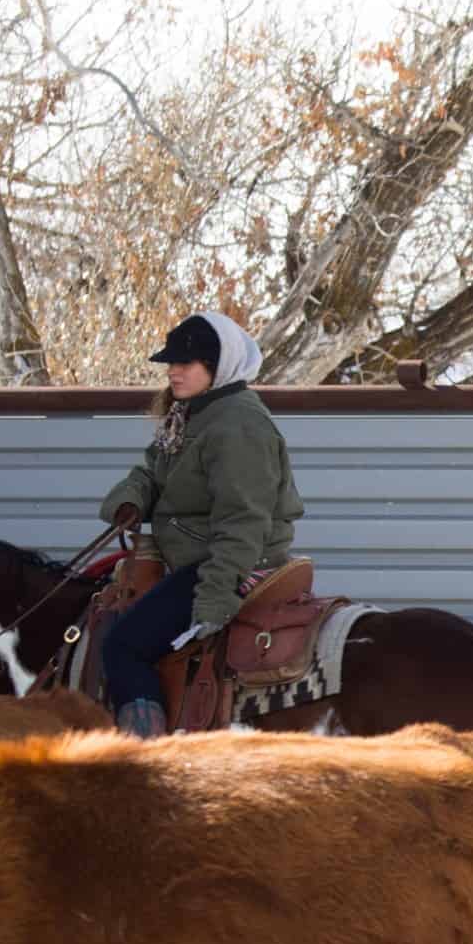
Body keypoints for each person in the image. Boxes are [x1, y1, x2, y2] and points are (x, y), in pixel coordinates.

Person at [98, 311, 304, 737]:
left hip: (229, 562)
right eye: (170, 363)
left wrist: (215, 597)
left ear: (218, 368)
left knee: (123, 645)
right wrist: (130, 500)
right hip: (198, 555)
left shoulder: (237, 424)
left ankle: (145, 755)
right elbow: (152, 473)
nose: (173, 371)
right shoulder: (191, 415)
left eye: (185, 363)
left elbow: (244, 522)